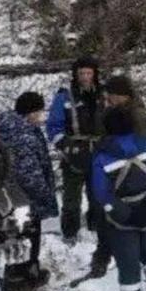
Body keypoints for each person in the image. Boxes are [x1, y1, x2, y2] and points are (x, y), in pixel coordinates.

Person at [91, 106, 146, 291]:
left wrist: (124, 214)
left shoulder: (102, 157)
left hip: (121, 218)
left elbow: (101, 192)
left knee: (127, 258)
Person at [46, 55, 111, 275]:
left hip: (99, 153)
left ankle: (95, 227)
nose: (84, 76)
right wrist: (66, 145)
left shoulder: (104, 94)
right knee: (71, 198)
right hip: (74, 153)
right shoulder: (65, 96)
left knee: (98, 195)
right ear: (75, 74)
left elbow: (114, 120)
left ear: (94, 73)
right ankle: (70, 233)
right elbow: (53, 126)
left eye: (88, 72)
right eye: (81, 73)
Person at [0, 91, 58, 291]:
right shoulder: (24, 136)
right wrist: (45, 194)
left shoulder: (9, 128)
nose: (42, 116)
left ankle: (23, 277)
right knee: (27, 239)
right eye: (39, 111)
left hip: (8, 198)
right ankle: (17, 287)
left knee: (16, 237)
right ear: (31, 112)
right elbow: (29, 174)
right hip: (25, 199)